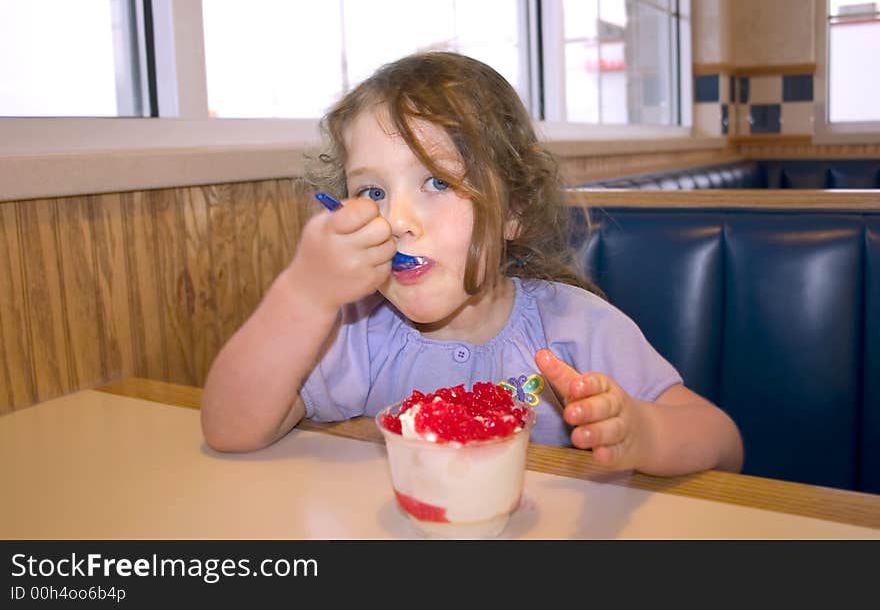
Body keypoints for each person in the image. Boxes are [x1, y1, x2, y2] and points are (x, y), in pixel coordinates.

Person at [201, 51, 743, 476]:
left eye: (437, 182)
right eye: (372, 190)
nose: (397, 221)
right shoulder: (356, 332)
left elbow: (722, 442)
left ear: (513, 212)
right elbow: (230, 429)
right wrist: (303, 294)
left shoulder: (577, 330)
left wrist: (641, 432)